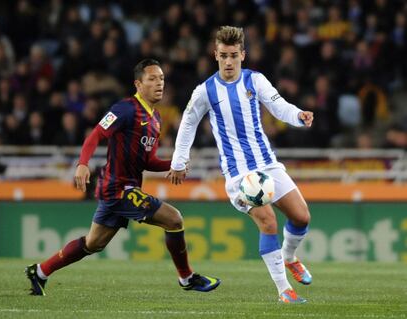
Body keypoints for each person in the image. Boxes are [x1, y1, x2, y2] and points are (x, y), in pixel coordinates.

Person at [25, 59, 220, 296]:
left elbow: (147, 161)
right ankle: (187, 278)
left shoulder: (156, 119)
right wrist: (83, 164)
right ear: (138, 84)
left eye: (162, 79)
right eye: (152, 79)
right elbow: (96, 134)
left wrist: (174, 165)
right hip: (118, 188)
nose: (159, 84)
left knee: (93, 243)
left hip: (122, 188)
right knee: (174, 219)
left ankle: (41, 271)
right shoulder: (125, 109)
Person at [168, 26, 313, 304]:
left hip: (267, 164)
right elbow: (188, 124)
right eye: (223, 56)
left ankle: (289, 257)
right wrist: (179, 161)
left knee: (302, 217)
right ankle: (284, 290)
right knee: (268, 222)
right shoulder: (205, 91)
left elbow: (278, 105)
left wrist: (298, 115)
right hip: (239, 175)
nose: (229, 61)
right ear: (215, 55)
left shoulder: (255, 81)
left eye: (234, 55)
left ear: (243, 55)